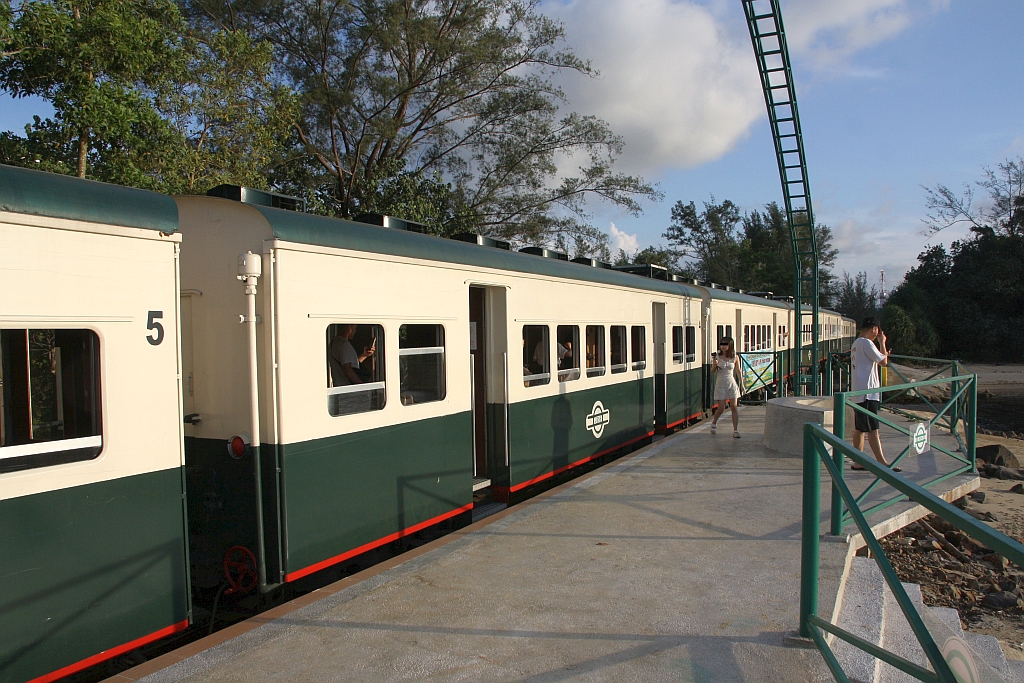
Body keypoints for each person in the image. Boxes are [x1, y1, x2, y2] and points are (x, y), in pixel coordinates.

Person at [849, 316, 899, 472]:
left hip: (859, 391)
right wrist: (882, 343)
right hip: (868, 393)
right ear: (874, 329)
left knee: (860, 429)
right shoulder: (867, 343)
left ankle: (858, 461)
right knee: (872, 429)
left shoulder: (856, 343)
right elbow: (883, 362)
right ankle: (882, 463)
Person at [710, 336, 743, 438]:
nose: (723, 346)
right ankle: (714, 422)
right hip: (721, 383)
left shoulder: (735, 357)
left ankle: (735, 430)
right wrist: (714, 365)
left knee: (734, 407)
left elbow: (738, 371)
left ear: (730, 345)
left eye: (725, 344)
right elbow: (712, 371)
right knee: (721, 408)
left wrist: (742, 384)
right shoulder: (717, 357)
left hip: (731, 382)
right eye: (722, 344)